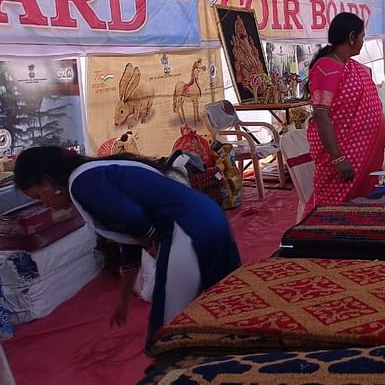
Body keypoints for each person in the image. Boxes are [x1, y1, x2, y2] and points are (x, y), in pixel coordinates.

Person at [13, 147, 241, 348]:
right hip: (210, 217)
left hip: (187, 231)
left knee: (168, 330)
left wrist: (154, 248)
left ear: (47, 181)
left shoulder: (82, 184)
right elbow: (128, 244)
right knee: (224, 303)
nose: (45, 204)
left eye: (38, 196)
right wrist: (123, 302)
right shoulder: (100, 169)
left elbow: (133, 220)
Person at [307, 12, 385, 208]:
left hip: (367, 154)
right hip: (345, 156)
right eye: (362, 36)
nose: (363, 41)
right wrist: (338, 158)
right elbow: (321, 114)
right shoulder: (327, 67)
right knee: (334, 207)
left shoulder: (353, 67)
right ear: (352, 37)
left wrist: (382, 131)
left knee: (362, 204)